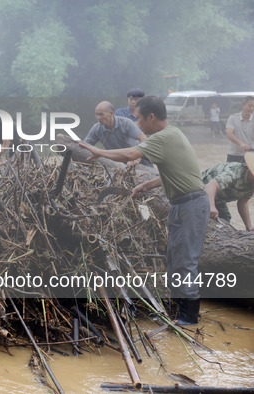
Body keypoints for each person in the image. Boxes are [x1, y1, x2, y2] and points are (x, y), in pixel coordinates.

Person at [79, 96, 209, 326]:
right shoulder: (172, 136)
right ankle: (178, 310)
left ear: (151, 117)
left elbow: (130, 154)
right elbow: (176, 173)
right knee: (174, 258)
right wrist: (146, 185)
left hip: (191, 205)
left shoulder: (164, 137)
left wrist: (98, 152)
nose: (137, 124)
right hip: (181, 203)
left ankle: (189, 316)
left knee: (185, 261)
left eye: (139, 118)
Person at [84, 101, 150, 166]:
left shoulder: (126, 123)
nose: (98, 117)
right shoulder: (97, 129)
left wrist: (138, 156)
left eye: (101, 114)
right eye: (96, 114)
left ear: (111, 113)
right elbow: (85, 145)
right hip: (117, 163)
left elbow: (143, 139)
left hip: (138, 159)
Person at [203, 152, 254, 231]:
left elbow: (243, 203)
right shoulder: (234, 173)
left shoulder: (251, 185)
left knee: (225, 219)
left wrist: (248, 226)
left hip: (219, 198)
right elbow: (211, 185)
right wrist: (211, 206)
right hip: (201, 193)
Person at [225, 96, 254, 163]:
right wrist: (241, 144)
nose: (252, 109)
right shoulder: (232, 118)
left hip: (251, 155)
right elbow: (229, 134)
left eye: (253, 106)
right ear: (243, 105)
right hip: (234, 154)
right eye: (250, 106)